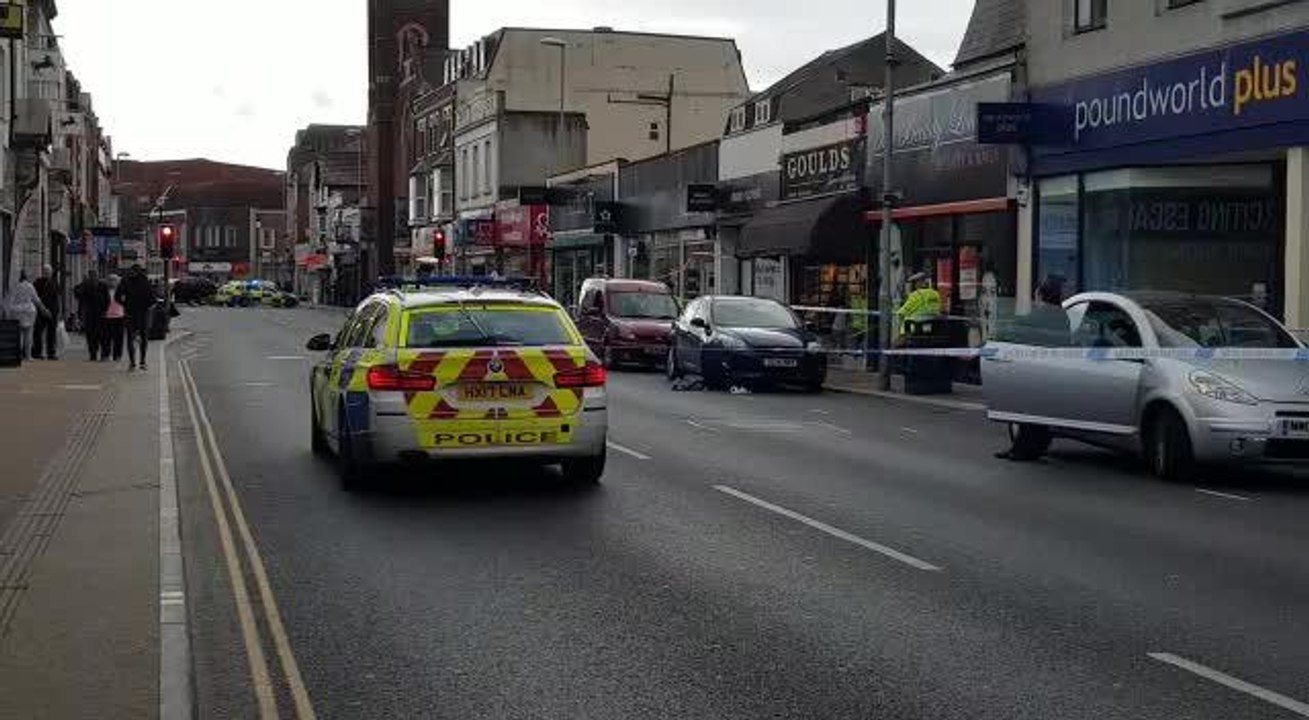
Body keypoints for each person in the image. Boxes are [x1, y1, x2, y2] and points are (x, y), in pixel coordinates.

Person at [117, 264, 154, 371]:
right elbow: (152, 298)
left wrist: (125, 304)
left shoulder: (125, 281)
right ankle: (142, 362)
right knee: (143, 337)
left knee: (131, 337)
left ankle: (133, 363)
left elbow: (117, 297)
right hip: (142, 313)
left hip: (131, 313)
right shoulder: (145, 281)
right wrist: (147, 306)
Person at [6, 270, 50, 360]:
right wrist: (44, 310)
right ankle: (28, 355)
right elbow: (37, 300)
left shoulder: (16, 286)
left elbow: (10, 300)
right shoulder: (30, 286)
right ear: (26, 277)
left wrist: (8, 313)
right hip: (30, 311)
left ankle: (19, 355)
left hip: (17, 312)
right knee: (29, 334)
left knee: (19, 335)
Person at [74, 270, 110, 361]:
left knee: (102, 335)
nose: (93, 277)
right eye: (91, 276)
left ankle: (104, 354)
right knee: (90, 335)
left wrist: (106, 311)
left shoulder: (103, 285)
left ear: (97, 276)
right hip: (89, 314)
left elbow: (107, 299)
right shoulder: (85, 285)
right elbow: (78, 294)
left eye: (95, 276)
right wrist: (82, 284)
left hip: (101, 314)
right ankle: (93, 353)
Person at [895, 272, 943, 338]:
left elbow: (905, 310)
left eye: (915, 283)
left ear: (918, 283)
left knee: (899, 340)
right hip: (932, 326)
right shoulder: (935, 294)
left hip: (915, 327)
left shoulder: (916, 295)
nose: (914, 285)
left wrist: (897, 312)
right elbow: (939, 307)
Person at [31, 265, 59, 360]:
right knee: (38, 332)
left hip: (50, 311)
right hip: (42, 311)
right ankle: (38, 352)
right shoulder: (38, 282)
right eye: (45, 271)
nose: (47, 273)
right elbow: (35, 297)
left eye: (48, 271)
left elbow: (56, 298)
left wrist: (57, 311)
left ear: (51, 272)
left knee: (51, 333)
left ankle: (50, 352)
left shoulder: (54, 283)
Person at [101, 274, 126, 362]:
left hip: (119, 316)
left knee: (118, 338)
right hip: (107, 316)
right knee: (106, 338)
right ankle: (105, 354)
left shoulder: (122, 291)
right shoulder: (104, 291)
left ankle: (117, 355)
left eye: (114, 280)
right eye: (110, 280)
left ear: (118, 282)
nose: (112, 282)